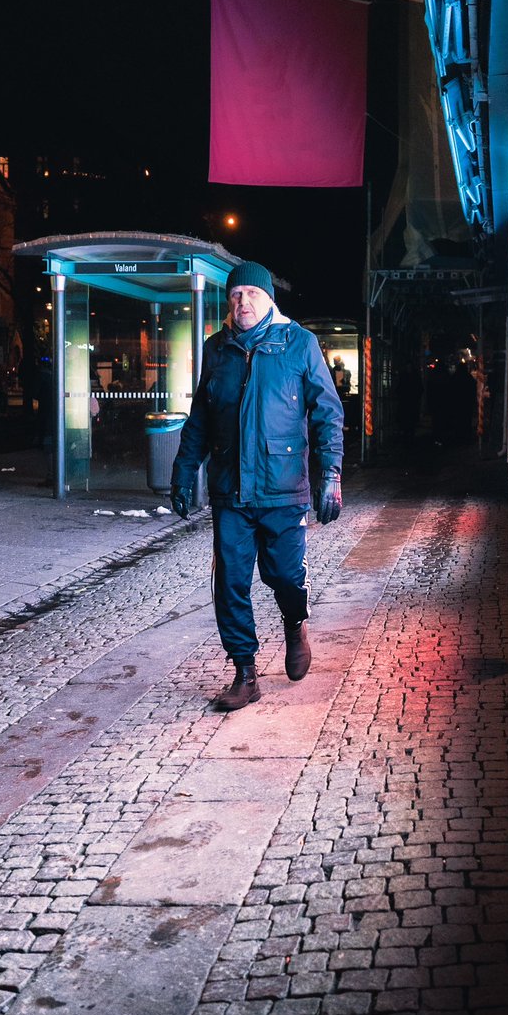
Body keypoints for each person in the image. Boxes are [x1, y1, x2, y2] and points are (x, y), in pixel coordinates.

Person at [169, 261, 345, 712]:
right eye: (234, 295)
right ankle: (245, 672)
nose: (241, 301)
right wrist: (185, 470)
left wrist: (331, 475)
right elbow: (202, 419)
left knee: (284, 575)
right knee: (229, 582)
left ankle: (294, 622)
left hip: (283, 488)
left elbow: (327, 413)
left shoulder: (299, 344)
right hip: (231, 490)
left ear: (268, 299)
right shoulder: (217, 349)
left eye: (250, 293)